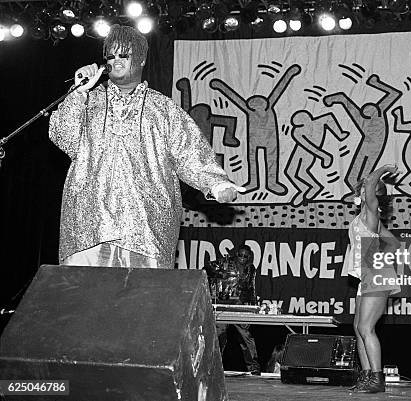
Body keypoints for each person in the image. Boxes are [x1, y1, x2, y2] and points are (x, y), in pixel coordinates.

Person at [48, 25, 243, 269]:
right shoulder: (89, 101)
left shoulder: (162, 109)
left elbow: (189, 151)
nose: (116, 61)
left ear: (140, 60)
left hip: (145, 229)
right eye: (110, 56)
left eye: (123, 54)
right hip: (89, 228)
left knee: (143, 303)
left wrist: (215, 182)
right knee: (85, 302)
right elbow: (63, 136)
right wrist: (78, 93)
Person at [345, 164, 402, 393]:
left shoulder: (371, 212)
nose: (360, 192)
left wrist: (384, 169)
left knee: (367, 327)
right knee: (358, 327)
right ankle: (367, 375)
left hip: (376, 275)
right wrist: (378, 257)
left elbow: (370, 184)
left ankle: (378, 379)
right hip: (367, 275)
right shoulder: (366, 220)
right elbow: (394, 243)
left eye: (364, 189)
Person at [214, 244, 261, 374]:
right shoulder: (226, 263)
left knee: (246, 336)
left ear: (249, 257)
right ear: (236, 254)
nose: (242, 257)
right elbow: (208, 270)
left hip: (240, 306)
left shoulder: (251, 268)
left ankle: (254, 367)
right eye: (240, 254)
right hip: (225, 304)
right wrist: (218, 283)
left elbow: (252, 287)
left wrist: (253, 305)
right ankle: (214, 366)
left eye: (245, 256)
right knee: (219, 335)